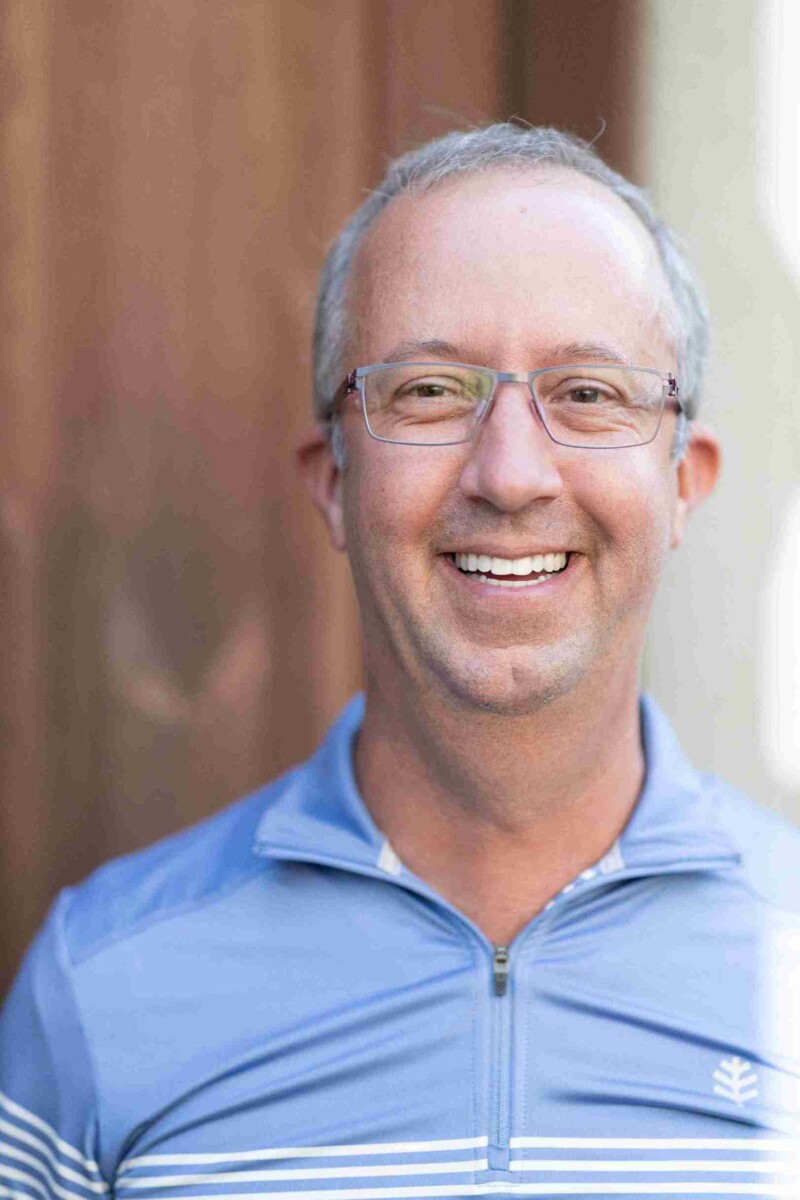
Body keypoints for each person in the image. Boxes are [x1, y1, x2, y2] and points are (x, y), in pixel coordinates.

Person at [2, 123, 799, 1200]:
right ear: (332, 482)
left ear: (682, 487)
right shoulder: (98, 988)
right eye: (428, 391)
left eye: (588, 392)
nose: (510, 475)